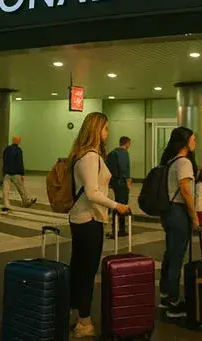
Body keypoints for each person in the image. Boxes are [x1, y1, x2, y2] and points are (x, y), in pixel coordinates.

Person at [67, 112, 130, 338]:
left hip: (82, 218)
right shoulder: (90, 156)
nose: (107, 132)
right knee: (86, 271)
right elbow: (93, 193)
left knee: (79, 268)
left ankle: (76, 314)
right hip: (88, 219)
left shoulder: (82, 154)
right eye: (105, 128)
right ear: (96, 129)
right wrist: (117, 205)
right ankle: (84, 321)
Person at [158, 126, 199, 319]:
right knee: (176, 257)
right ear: (184, 142)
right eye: (193, 139)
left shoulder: (171, 161)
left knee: (170, 254)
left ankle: (165, 294)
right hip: (178, 212)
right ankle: (173, 302)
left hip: (169, 212)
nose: (195, 142)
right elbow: (186, 190)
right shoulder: (184, 162)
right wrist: (194, 216)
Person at [1, 135, 37, 212]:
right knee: (21, 188)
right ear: (18, 141)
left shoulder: (7, 149)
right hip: (15, 173)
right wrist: (22, 174)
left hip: (7, 172)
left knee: (6, 190)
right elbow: (20, 163)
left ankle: (6, 204)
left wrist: (4, 171)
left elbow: (4, 160)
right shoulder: (18, 150)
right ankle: (26, 201)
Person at [106, 136, 132, 239]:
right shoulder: (123, 153)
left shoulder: (114, 152)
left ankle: (117, 229)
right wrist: (128, 180)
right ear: (126, 143)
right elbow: (124, 168)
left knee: (119, 204)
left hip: (115, 183)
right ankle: (119, 230)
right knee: (121, 205)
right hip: (122, 183)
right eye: (129, 143)